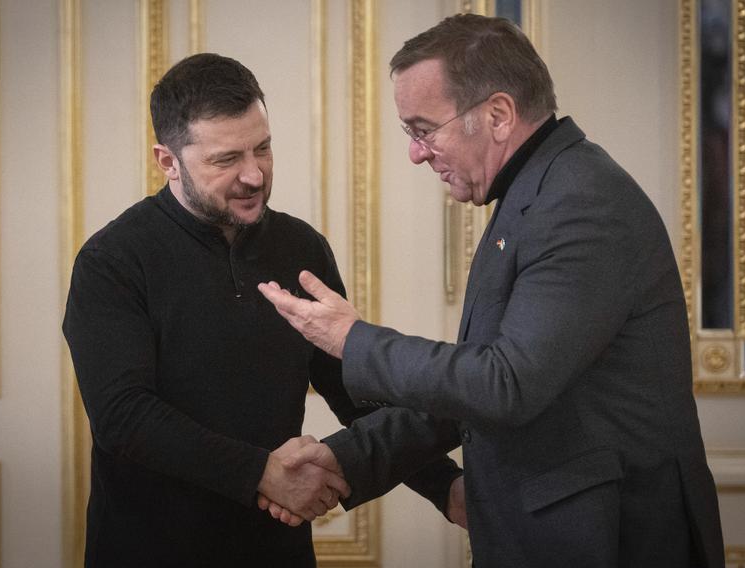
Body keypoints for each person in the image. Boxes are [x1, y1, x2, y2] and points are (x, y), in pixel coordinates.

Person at [259, 14, 725, 567]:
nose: (415, 152)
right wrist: (345, 460)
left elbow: (504, 385)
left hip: (609, 541)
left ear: (498, 115)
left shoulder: (579, 201)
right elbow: (476, 385)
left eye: (423, 129)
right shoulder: (536, 193)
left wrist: (352, 340)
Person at [62, 53, 461, 567]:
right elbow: (123, 416)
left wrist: (445, 487)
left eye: (264, 148)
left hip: (277, 549)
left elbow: (352, 389)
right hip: (149, 548)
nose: (254, 175)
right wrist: (261, 473)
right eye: (226, 160)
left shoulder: (301, 247)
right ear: (168, 161)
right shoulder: (111, 261)